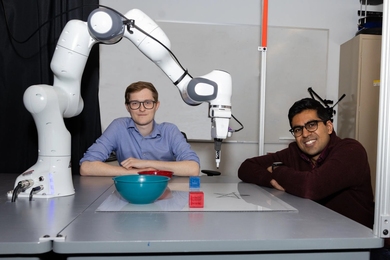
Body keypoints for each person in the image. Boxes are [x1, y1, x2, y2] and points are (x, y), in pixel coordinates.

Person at [238, 97, 374, 229]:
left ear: (329, 127)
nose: (305, 134)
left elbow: (312, 187)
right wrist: (271, 181)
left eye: (311, 125)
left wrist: (276, 170)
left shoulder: (351, 151)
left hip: (356, 242)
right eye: (298, 129)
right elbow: (246, 167)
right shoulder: (295, 151)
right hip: (314, 233)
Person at [80, 81, 200, 177]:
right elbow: (86, 167)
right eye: (135, 103)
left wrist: (145, 163)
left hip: (166, 193)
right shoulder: (118, 127)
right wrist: (135, 172)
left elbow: (193, 168)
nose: (142, 109)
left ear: (156, 106)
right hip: (131, 194)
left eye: (147, 103)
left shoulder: (170, 131)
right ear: (127, 107)